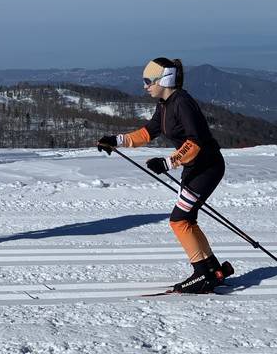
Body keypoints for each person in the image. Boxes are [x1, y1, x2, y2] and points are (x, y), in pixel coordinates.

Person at [97, 57, 233, 293]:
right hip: (195, 168)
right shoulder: (165, 103)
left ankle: (202, 272)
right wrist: (115, 140)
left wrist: (169, 163)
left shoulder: (182, 103)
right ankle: (211, 268)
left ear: (165, 79)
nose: (145, 86)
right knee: (186, 220)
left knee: (179, 220)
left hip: (207, 167)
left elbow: (196, 142)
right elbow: (148, 132)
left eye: (149, 81)